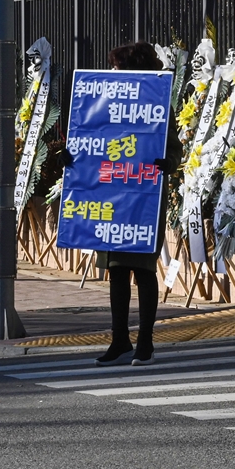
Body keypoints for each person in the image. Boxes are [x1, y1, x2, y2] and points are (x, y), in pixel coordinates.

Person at [94, 42, 183, 367]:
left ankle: (145, 341)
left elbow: (175, 147)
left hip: (144, 196)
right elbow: (91, 138)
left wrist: (166, 163)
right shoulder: (104, 103)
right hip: (113, 194)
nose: (114, 72)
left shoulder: (157, 104)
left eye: (119, 67)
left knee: (143, 270)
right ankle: (120, 340)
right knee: (117, 271)